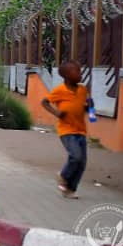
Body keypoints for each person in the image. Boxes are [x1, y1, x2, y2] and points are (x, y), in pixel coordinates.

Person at [42, 60, 90, 199]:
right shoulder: (60, 90)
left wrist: (89, 109)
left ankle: (69, 189)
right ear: (67, 76)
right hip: (66, 130)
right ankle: (63, 176)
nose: (80, 74)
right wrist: (57, 113)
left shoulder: (83, 90)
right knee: (76, 156)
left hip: (81, 130)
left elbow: (88, 107)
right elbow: (44, 102)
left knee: (81, 163)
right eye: (77, 71)